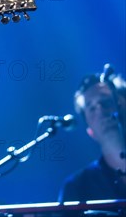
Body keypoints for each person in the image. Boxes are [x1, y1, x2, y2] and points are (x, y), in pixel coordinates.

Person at [58, 64, 126, 201]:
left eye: (107, 101)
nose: (101, 111)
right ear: (90, 131)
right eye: (92, 109)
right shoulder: (77, 187)